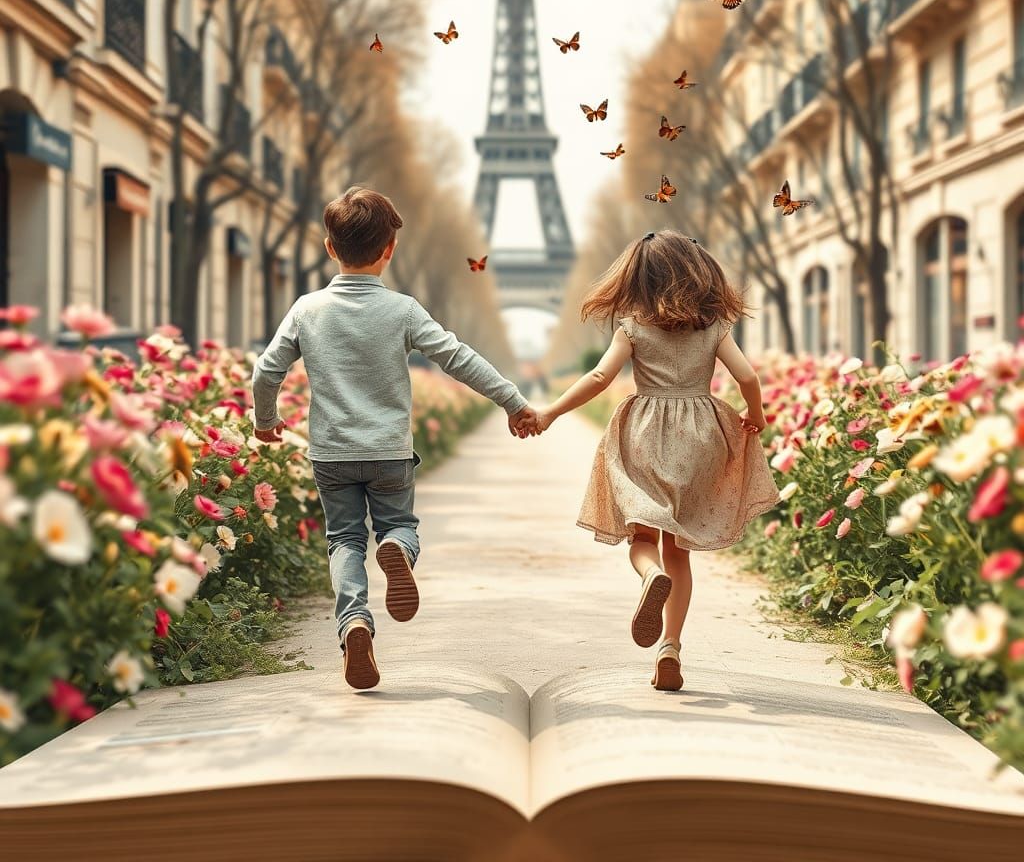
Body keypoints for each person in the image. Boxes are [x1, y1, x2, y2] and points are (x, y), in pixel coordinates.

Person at [252, 187, 536, 690]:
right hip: (389, 453)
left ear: (329, 248)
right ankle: (399, 553)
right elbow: (458, 358)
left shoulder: (306, 310)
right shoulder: (403, 310)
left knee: (344, 539)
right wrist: (513, 400)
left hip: (332, 454)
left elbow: (266, 370)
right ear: (390, 250)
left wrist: (265, 420)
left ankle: (355, 623)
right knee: (398, 525)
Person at [518, 230, 778, 691]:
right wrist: (755, 415)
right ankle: (670, 648)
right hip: (701, 437)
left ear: (639, 278)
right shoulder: (714, 327)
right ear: (700, 273)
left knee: (642, 535)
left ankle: (648, 574)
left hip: (643, 434)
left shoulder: (633, 327)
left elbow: (600, 376)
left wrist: (552, 412)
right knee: (680, 551)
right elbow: (748, 376)